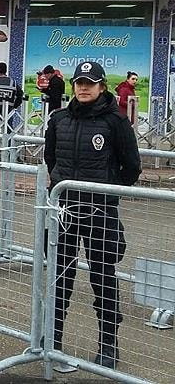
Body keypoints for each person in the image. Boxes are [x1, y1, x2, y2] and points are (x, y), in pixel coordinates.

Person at [44, 61, 141, 370]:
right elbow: (51, 158)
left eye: (90, 82)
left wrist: (107, 191)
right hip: (64, 211)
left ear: (102, 87)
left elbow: (132, 167)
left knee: (103, 280)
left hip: (100, 212)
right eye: (79, 82)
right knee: (60, 277)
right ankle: (54, 340)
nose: (83, 87)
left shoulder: (115, 122)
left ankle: (108, 345)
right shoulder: (59, 119)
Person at [0, 62, 23, 132]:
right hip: (8, 110)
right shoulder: (13, 83)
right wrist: (14, 106)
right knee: (8, 130)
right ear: (5, 71)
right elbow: (20, 95)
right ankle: (8, 143)